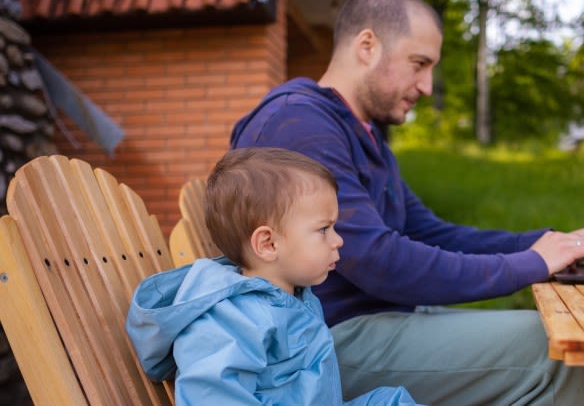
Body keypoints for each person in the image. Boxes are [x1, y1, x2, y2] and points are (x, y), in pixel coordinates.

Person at [229, 0, 584, 405]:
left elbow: (430, 232)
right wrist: (531, 265)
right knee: (546, 348)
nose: (426, 86)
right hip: (314, 347)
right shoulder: (300, 126)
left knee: (533, 338)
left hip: (373, 320)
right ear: (368, 45)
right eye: (418, 64)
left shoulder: (362, 134)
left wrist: (547, 246)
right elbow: (378, 261)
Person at [125, 147, 423, 406]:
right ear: (268, 244)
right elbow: (212, 396)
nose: (338, 240)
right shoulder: (232, 320)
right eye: (323, 229)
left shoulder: (290, 295)